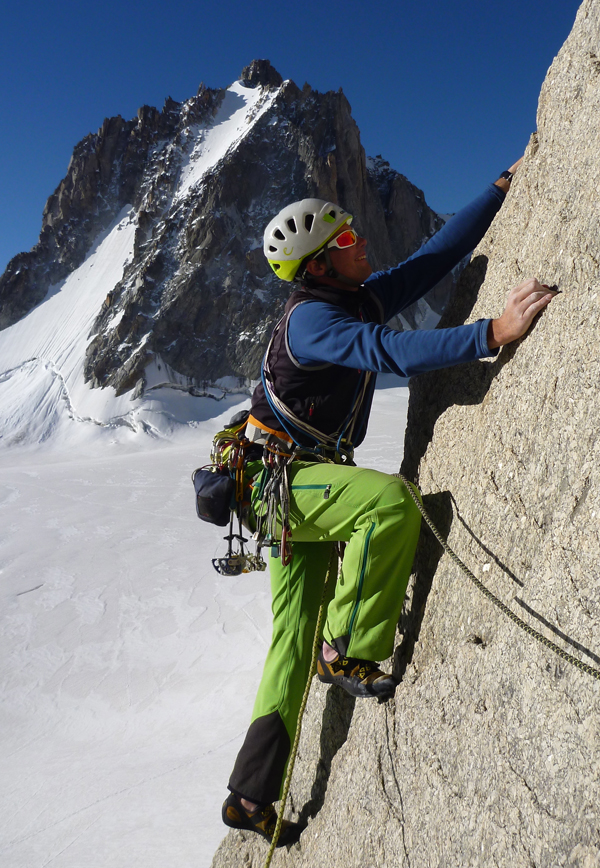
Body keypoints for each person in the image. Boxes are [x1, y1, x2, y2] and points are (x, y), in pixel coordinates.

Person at [221, 160, 557, 846]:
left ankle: (250, 796)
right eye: (345, 239)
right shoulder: (313, 321)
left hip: (287, 491)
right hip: (285, 487)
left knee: (289, 644)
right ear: (319, 265)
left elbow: (434, 259)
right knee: (390, 504)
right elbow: (387, 353)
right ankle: (349, 647)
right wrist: (490, 335)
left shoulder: (354, 298)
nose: (360, 240)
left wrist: (497, 190)